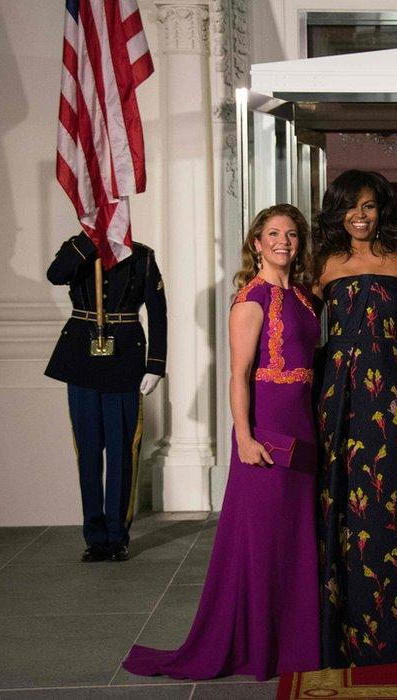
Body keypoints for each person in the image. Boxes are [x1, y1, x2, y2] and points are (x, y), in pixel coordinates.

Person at [123, 204, 321, 680]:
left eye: (291, 234)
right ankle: (257, 645)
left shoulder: (305, 296)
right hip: (267, 428)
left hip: (304, 424)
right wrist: (245, 437)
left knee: (296, 537)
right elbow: (238, 377)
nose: (283, 242)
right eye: (273, 233)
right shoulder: (249, 300)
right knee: (262, 539)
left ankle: (293, 641)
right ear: (256, 243)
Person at [314, 170, 397, 668]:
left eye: (369, 206)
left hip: (391, 397)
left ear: (382, 209)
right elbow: (302, 330)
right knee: (343, 507)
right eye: (351, 207)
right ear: (338, 212)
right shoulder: (324, 265)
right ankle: (343, 630)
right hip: (338, 400)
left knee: (394, 505)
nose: (361, 216)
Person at [45, 233, 166, 563]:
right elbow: (55, 275)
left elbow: (157, 313)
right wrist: (87, 243)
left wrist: (156, 365)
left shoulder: (141, 256)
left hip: (124, 361)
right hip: (81, 360)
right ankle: (94, 536)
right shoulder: (77, 247)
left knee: (122, 451)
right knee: (87, 451)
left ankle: (117, 536)